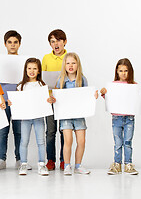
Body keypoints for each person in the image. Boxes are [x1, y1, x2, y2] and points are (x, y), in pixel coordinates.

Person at [48, 53, 97, 175]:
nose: (71, 66)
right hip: (66, 116)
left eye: (73, 63)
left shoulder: (82, 79)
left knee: (81, 141)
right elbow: (57, 97)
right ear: (64, 65)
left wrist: (93, 96)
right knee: (68, 141)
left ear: (78, 65)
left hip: (79, 115)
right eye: (68, 63)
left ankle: (78, 165)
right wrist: (53, 99)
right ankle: (67, 165)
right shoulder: (61, 80)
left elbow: (86, 96)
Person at [100, 58, 141, 175]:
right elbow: (109, 99)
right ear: (117, 71)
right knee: (118, 142)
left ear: (130, 72)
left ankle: (128, 164)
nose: (123, 73)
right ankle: (117, 164)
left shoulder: (134, 86)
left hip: (129, 118)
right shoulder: (113, 85)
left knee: (127, 141)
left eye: (126, 71)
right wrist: (104, 93)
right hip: (116, 118)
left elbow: (139, 101)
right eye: (121, 70)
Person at [9, 58, 49, 176]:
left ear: (39, 71)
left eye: (35, 68)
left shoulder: (41, 85)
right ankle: (23, 163)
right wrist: (12, 103)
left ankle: (42, 164)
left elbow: (44, 100)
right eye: (29, 68)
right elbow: (17, 102)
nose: (32, 71)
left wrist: (48, 100)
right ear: (25, 70)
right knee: (24, 141)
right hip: (25, 118)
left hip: (38, 117)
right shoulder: (21, 86)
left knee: (41, 141)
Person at [0, 30, 23, 170]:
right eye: (9, 42)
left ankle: (20, 159)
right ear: (5, 44)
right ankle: (1, 158)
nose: (12, 45)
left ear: (19, 44)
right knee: (2, 130)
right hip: (4, 100)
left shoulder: (24, 61)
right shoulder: (0, 62)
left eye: (15, 42)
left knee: (19, 131)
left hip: (19, 100)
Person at [42, 29, 67, 171]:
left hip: (64, 100)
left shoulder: (70, 57)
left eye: (58, 40)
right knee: (50, 131)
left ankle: (64, 160)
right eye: (52, 41)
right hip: (50, 99)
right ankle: (50, 160)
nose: (55, 44)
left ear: (64, 42)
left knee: (64, 130)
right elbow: (43, 79)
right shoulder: (46, 58)